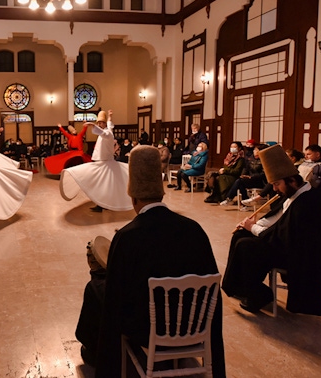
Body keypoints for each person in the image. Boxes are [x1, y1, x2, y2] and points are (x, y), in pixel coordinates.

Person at [75, 146, 224, 377]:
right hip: (192, 325)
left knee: (96, 287)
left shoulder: (127, 236)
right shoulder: (194, 229)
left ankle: (94, 353)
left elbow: (117, 297)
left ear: (132, 197)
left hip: (148, 329)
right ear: (161, 193)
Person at [222, 144, 321, 315]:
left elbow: (283, 237)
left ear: (291, 181)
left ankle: (260, 295)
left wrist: (253, 228)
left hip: (301, 256)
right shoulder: (294, 193)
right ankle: (241, 287)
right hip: (287, 242)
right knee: (240, 234)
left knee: (246, 246)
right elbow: (278, 220)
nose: (274, 189)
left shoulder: (307, 204)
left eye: (276, 184)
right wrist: (254, 226)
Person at [60, 110, 132, 212]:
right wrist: (110, 116)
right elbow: (110, 125)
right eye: (98, 123)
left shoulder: (108, 134)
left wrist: (92, 125)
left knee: (104, 186)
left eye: (100, 123)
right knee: (103, 185)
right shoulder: (108, 130)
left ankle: (102, 205)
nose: (99, 124)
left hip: (106, 164)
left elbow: (103, 132)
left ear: (103, 124)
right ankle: (102, 204)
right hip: (101, 162)